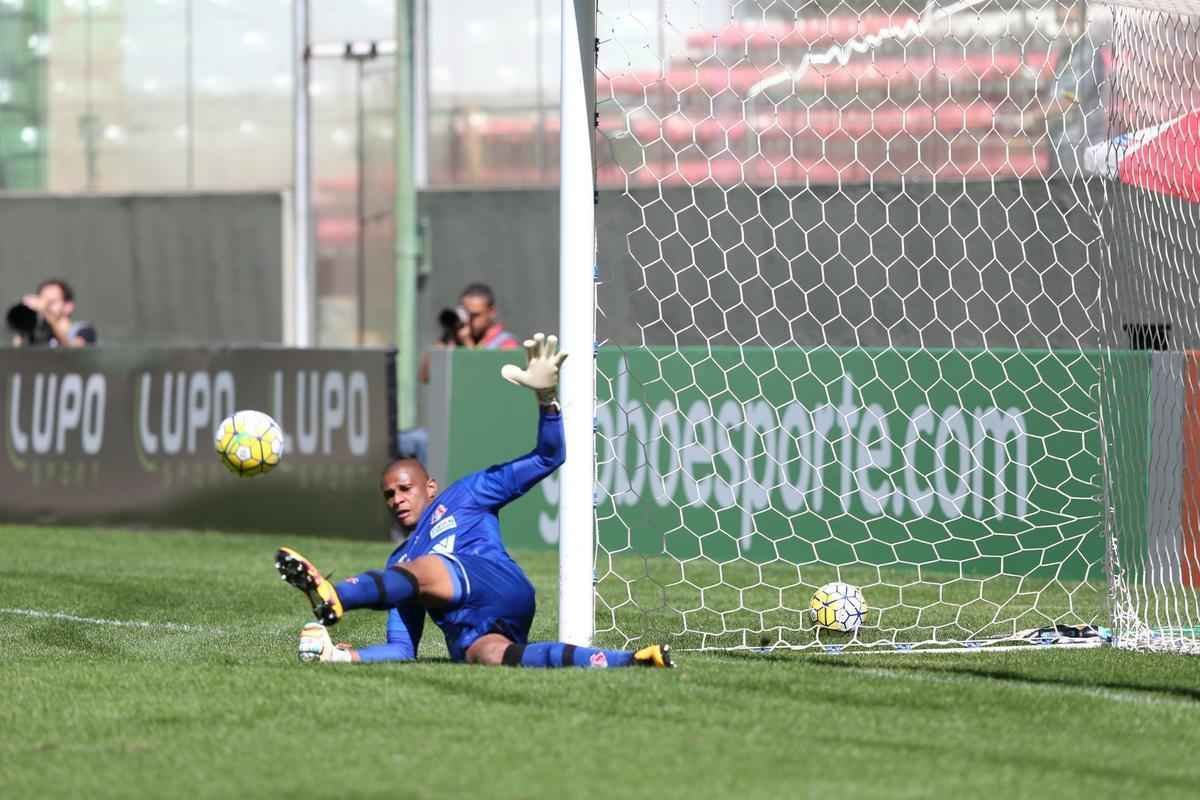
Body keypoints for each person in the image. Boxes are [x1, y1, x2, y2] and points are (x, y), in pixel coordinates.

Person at [277, 332, 673, 669]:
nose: (396, 499)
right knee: (490, 655)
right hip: (473, 629)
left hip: (497, 584)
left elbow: (549, 456)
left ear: (431, 487)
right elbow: (402, 649)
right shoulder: (399, 566)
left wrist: (546, 399)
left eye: (404, 488)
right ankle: (632, 661)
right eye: (388, 495)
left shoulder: (466, 494)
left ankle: (338, 595)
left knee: (425, 567)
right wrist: (346, 657)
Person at [1022, 0, 1111, 178]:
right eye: (1060, 22)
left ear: (1085, 22)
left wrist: (1034, 116)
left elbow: (1072, 98)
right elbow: (1060, 92)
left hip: (1079, 148)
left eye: (1071, 21)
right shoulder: (1066, 55)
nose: (1065, 28)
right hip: (1061, 145)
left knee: (1074, 200)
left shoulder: (1087, 55)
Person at [9, 279, 98, 348]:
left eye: (51, 302)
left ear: (68, 306)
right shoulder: (38, 334)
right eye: (42, 300)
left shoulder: (83, 330)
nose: (45, 306)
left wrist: (46, 311)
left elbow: (75, 352)